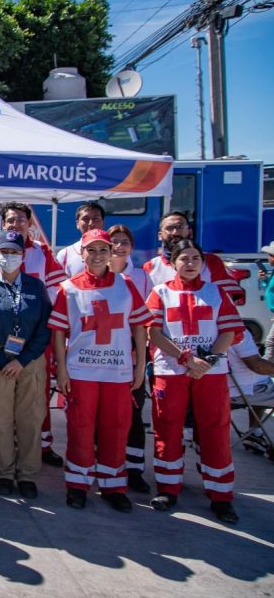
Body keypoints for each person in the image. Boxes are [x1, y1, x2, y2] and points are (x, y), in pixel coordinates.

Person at [48, 229, 152, 512]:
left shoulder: (126, 284)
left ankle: (113, 485)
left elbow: (141, 328)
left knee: (116, 429)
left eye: (102, 250)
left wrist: (140, 367)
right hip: (81, 372)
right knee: (80, 429)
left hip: (118, 373)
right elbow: (58, 332)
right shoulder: (67, 289)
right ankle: (78, 484)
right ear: (81, 253)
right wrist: (63, 371)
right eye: (90, 250)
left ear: (110, 253)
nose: (96, 256)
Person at [146, 240, 244, 524]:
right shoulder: (160, 293)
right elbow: (153, 333)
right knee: (167, 427)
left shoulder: (216, 293)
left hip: (210, 373)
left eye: (195, 258)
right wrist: (187, 359)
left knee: (215, 430)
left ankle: (221, 496)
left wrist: (208, 361)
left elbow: (229, 331)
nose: (190, 263)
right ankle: (167, 488)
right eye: (184, 258)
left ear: (203, 263)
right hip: (171, 371)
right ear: (173, 263)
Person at [0, 201, 68, 467]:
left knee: (36, 399)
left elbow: (55, 293)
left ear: (30, 224)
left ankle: (42, 446)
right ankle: (6, 462)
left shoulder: (43, 252)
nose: (16, 224)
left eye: (21, 219)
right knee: (2, 406)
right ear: (3, 224)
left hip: (35, 341)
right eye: (10, 220)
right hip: (1, 345)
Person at [0, 230, 52, 498]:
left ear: (23, 255)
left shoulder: (35, 286)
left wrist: (23, 359)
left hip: (29, 363)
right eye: (4, 252)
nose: (9, 257)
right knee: (0, 420)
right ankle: (4, 473)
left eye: (14, 252)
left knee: (30, 419)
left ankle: (28, 474)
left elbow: (45, 327)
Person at [107, 224, 155, 493]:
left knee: (133, 416)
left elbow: (144, 323)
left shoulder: (142, 277)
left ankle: (134, 469)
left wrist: (140, 359)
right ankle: (105, 467)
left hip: (131, 356)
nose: (119, 246)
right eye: (114, 242)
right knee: (103, 418)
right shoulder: (90, 277)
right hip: (99, 356)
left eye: (124, 241)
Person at [144, 211, 243, 301]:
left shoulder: (211, 262)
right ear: (160, 236)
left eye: (180, 227)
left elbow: (229, 301)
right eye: (170, 228)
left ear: (190, 232)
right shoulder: (150, 266)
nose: (175, 232)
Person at [227, 329, 274, 455]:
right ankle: (254, 433)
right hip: (242, 392)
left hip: (229, 389)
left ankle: (254, 433)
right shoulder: (236, 330)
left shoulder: (209, 328)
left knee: (264, 384)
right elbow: (257, 366)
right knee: (263, 386)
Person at [55, 202, 106, 277]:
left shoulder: (114, 251)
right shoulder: (65, 254)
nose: (91, 223)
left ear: (103, 223)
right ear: (77, 224)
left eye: (95, 219)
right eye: (85, 219)